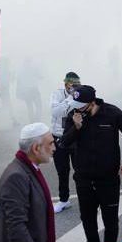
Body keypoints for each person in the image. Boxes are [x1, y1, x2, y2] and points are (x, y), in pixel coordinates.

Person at [62, 85, 122, 242]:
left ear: (92, 102)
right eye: (75, 106)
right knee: (89, 222)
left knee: (111, 222)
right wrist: (76, 127)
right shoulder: (73, 116)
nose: (77, 110)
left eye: (81, 106)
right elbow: (63, 143)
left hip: (109, 181)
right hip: (84, 181)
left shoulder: (112, 113)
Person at [49, 72, 80, 213]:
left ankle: (86, 199)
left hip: (74, 137)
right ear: (66, 84)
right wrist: (69, 98)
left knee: (80, 170)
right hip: (59, 136)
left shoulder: (80, 94)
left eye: (77, 85)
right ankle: (64, 200)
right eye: (72, 85)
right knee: (62, 171)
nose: (74, 87)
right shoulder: (57, 94)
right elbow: (56, 112)